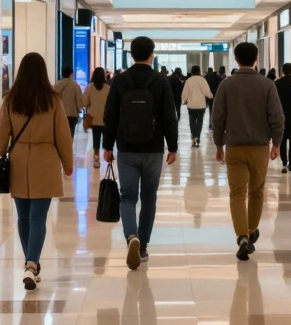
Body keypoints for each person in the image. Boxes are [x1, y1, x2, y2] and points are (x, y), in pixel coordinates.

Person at [0, 52, 74, 291]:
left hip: (18, 161)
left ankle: (31, 263)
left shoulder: (11, 99)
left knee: (23, 217)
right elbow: (63, 135)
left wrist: (3, 152)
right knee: (38, 217)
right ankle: (31, 264)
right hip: (45, 160)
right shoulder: (53, 100)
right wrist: (67, 162)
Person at [103, 36, 180, 271]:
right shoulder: (160, 81)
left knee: (127, 197)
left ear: (131, 55)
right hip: (153, 148)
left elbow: (110, 115)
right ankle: (143, 245)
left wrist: (107, 146)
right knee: (149, 198)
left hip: (126, 148)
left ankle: (131, 236)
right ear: (151, 55)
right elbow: (169, 115)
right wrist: (173, 146)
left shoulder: (119, 81)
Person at [212, 42, 283, 260]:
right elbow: (277, 118)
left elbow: (218, 117)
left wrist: (218, 144)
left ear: (236, 59)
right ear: (256, 58)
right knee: (256, 191)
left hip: (234, 147)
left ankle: (242, 236)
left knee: (237, 193)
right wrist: (277, 144)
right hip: (260, 147)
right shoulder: (267, 85)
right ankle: (252, 230)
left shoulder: (227, 85)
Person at [81, 67, 111, 168]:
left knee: (96, 139)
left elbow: (84, 102)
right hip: (105, 119)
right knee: (107, 139)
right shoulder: (107, 88)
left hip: (94, 119)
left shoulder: (90, 87)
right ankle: (108, 157)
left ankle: (96, 158)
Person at [182, 65, 213, 147]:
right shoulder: (203, 80)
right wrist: (211, 96)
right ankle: (197, 137)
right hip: (201, 105)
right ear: (199, 71)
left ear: (192, 71)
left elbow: (185, 93)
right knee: (200, 121)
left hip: (191, 105)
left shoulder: (188, 80)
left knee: (192, 121)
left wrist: (184, 100)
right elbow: (207, 91)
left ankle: (194, 137)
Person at [53, 67, 84, 135]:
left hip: (60, 113)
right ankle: (69, 144)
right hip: (72, 113)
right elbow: (78, 100)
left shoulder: (57, 84)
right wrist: (80, 110)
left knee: (61, 133)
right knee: (70, 133)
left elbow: (54, 98)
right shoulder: (75, 85)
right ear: (71, 74)